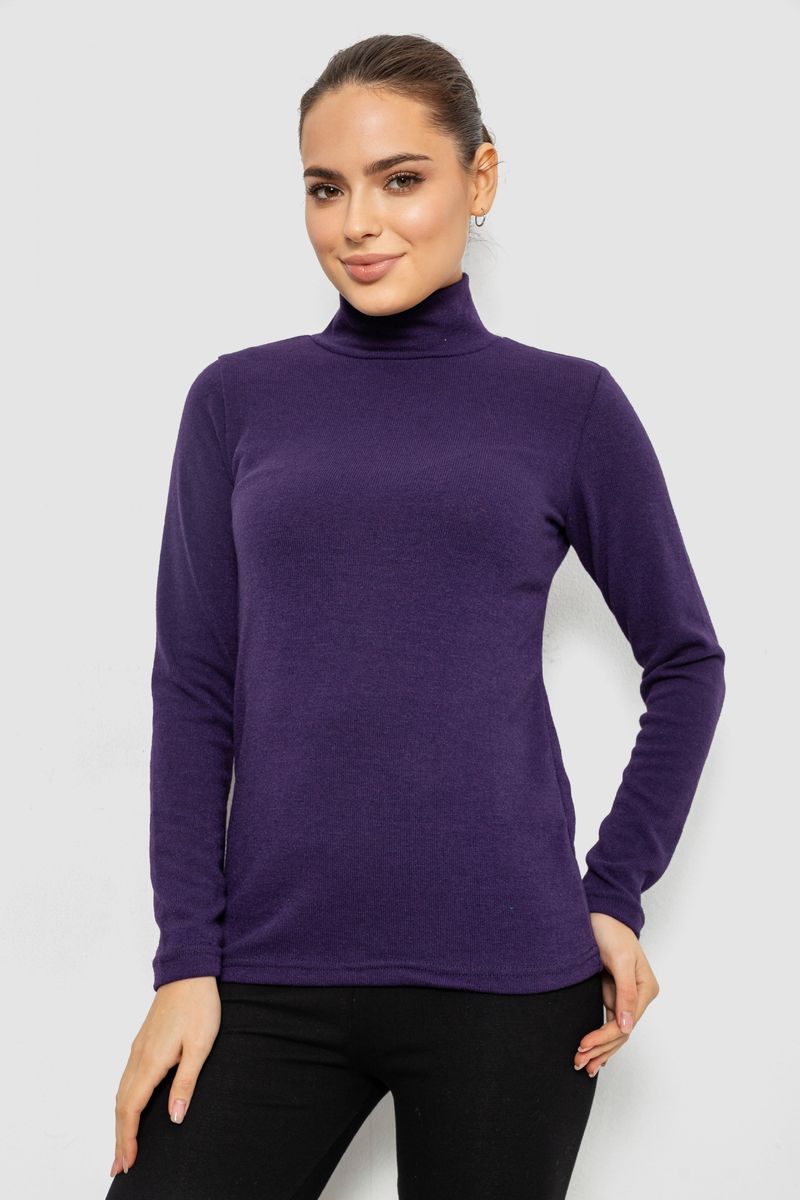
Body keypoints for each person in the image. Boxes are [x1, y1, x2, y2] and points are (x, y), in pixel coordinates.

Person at [106, 32, 726, 1200]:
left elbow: (685, 662)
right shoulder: (237, 401)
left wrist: (613, 889)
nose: (358, 224)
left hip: (511, 980)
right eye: (324, 188)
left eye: (400, 180)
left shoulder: (567, 406)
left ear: (477, 178)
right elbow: (192, 689)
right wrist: (184, 960)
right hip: (268, 974)